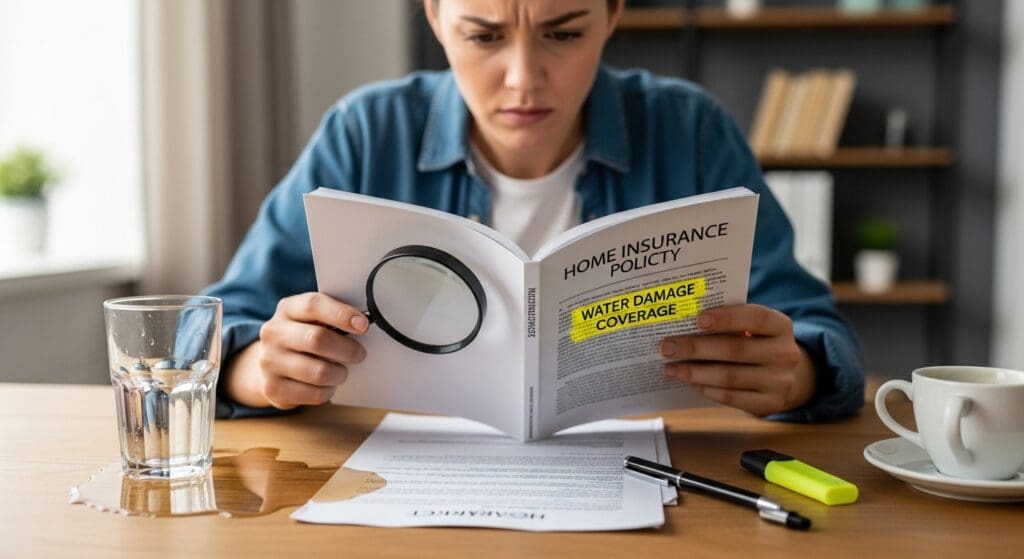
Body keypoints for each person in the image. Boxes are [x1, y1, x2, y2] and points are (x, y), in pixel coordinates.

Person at [203, 0, 864, 422]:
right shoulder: (367, 133)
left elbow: (818, 335)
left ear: (613, 14)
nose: (523, 76)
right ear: (434, 16)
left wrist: (796, 375)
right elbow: (205, 330)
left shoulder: (690, 132)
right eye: (484, 36)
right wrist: (255, 370)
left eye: (564, 32)